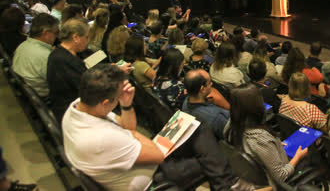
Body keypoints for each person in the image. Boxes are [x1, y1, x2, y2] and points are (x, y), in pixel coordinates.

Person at [62, 64, 248, 191]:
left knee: (199, 129)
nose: (121, 97)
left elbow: (128, 127)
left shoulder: (79, 106)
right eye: (118, 97)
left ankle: (227, 185)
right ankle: (228, 185)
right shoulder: (102, 138)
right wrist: (132, 134)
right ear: (104, 103)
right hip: (151, 182)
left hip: (134, 160)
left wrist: (126, 105)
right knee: (211, 160)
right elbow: (156, 153)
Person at [225, 84, 309, 186]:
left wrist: (274, 145)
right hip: (276, 181)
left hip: (257, 171)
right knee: (309, 159)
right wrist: (298, 156)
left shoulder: (231, 125)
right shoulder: (260, 139)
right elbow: (281, 176)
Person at [46, 18, 91, 122]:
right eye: (86, 37)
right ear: (75, 37)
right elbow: (86, 87)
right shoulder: (63, 60)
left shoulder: (61, 54)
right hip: (70, 113)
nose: (87, 41)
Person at [13, 13, 59, 99]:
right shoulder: (46, 57)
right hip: (44, 98)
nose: (57, 36)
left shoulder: (22, 45)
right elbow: (61, 84)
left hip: (26, 94)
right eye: (56, 32)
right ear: (45, 33)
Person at [182, 69, 229, 140]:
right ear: (202, 89)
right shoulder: (216, 118)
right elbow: (230, 137)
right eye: (209, 82)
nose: (211, 84)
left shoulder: (186, 102)